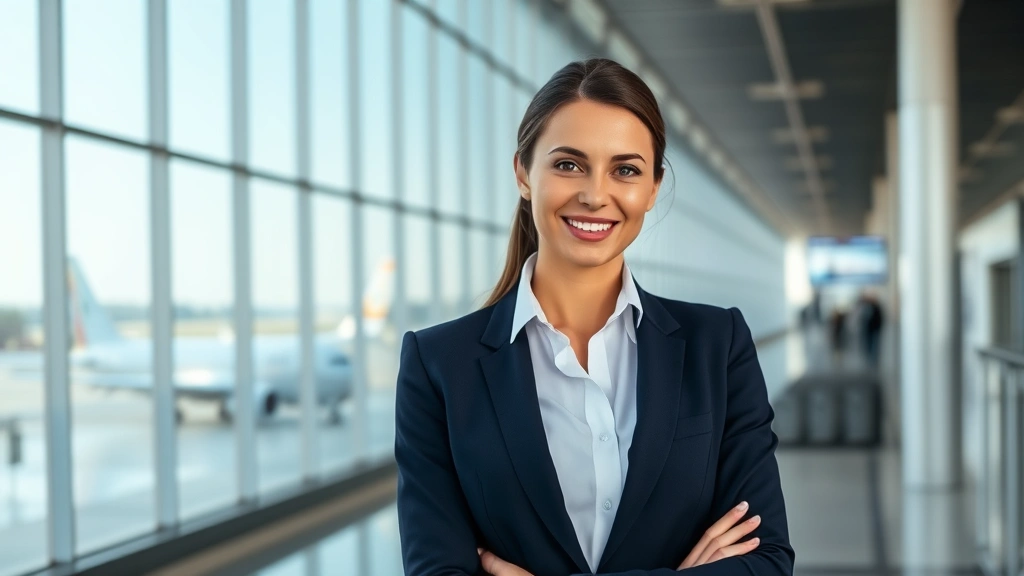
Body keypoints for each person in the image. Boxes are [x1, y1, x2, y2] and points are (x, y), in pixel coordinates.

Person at [394, 58, 793, 576]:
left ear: (652, 188)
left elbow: (766, 563)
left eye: (624, 170)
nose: (595, 194)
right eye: (568, 164)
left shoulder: (717, 347)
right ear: (523, 174)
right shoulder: (438, 365)